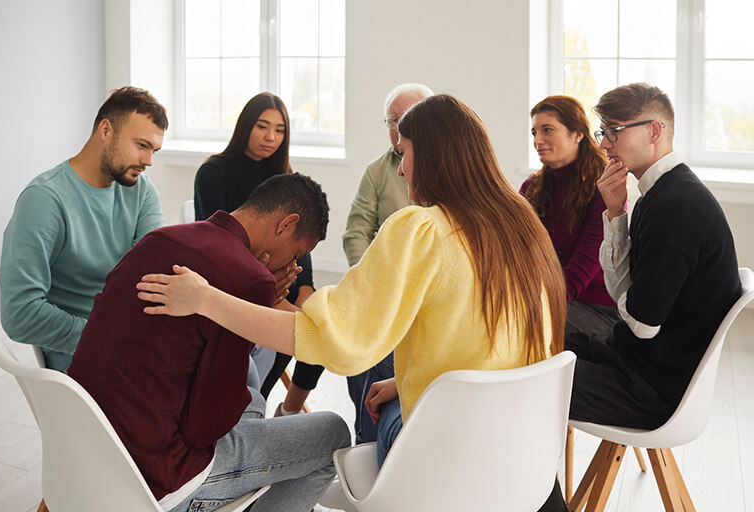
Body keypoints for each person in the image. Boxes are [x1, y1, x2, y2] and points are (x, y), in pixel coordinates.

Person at [137, 94, 570, 511]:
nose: (400, 171)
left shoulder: (421, 229)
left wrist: (207, 299)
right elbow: (496, 344)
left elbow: (332, 340)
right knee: (386, 389)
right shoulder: (522, 226)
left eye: (404, 153)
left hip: (442, 464)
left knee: (355, 417)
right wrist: (405, 383)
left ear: (434, 156)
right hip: (520, 458)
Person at [68, 173, 350, 512]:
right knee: (333, 434)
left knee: (253, 395)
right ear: (286, 224)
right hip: (162, 480)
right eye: (298, 253)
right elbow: (204, 428)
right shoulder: (250, 279)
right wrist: (259, 291)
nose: (293, 266)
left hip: (88, 458)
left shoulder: (160, 239)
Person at [568, 83, 740, 429]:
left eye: (614, 131)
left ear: (654, 131)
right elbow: (626, 297)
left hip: (650, 387)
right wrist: (616, 213)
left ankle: (545, 486)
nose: (603, 143)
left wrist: (629, 303)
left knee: (520, 383)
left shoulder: (676, 207)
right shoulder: (658, 194)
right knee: (528, 341)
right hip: (634, 358)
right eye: (604, 132)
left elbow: (642, 324)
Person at [0, 86, 167, 371]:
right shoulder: (45, 199)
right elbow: (20, 313)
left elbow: (155, 274)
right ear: (105, 131)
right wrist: (108, 337)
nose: (149, 161)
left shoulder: (141, 191)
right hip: (90, 361)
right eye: (141, 145)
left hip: (136, 343)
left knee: (234, 371)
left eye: (154, 150)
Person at [193, 92, 322, 411]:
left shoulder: (286, 178)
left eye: (279, 130)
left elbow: (300, 241)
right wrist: (274, 294)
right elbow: (214, 241)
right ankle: (251, 405)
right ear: (245, 126)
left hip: (284, 280)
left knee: (319, 330)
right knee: (293, 334)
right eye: (262, 126)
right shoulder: (212, 173)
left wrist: (305, 288)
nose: (271, 137)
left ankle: (288, 409)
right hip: (239, 282)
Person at [342, 82, 433, 443]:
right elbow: (356, 233)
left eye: (407, 118)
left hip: (421, 295)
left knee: (380, 347)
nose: (399, 127)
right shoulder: (378, 171)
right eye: (393, 120)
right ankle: (366, 430)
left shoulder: (445, 177)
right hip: (383, 286)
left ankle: (373, 437)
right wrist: (372, 283)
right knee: (356, 336)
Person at [521, 95, 618, 339]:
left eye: (547, 130)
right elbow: (514, 248)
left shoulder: (604, 188)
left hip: (596, 309)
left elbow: (582, 268)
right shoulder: (531, 187)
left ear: (577, 133)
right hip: (548, 296)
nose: (538, 140)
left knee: (516, 322)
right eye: (534, 133)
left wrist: (535, 305)